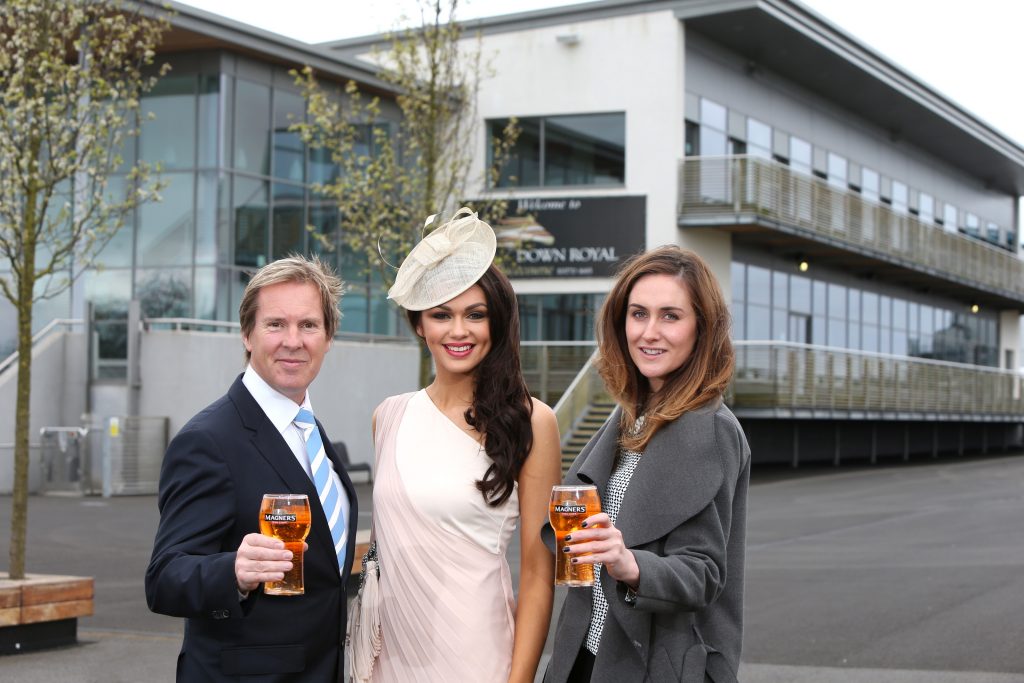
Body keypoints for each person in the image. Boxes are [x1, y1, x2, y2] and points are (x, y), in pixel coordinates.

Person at [365, 208, 561, 682]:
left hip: (477, 655)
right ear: (419, 325)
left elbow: (538, 574)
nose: (458, 331)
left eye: (475, 315)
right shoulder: (387, 415)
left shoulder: (533, 421)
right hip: (389, 653)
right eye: (441, 315)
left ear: (496, 323)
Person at [145, 255, 358, 682]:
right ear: (247, 334)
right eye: (275, 324)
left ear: (329, 337)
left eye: (309, 325)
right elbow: (164, 577)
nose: (293, 341)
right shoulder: (208, 440)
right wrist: (234, 573)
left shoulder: (313, 434)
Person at [544, 245, 750, 683]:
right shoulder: (632, 416)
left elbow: (704, 573)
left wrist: (629, 564)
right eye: (638, 314)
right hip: (589, 654)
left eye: (670, 316)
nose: (649, 332)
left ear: (702, 328)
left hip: (655, 664)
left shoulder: (711, 428)